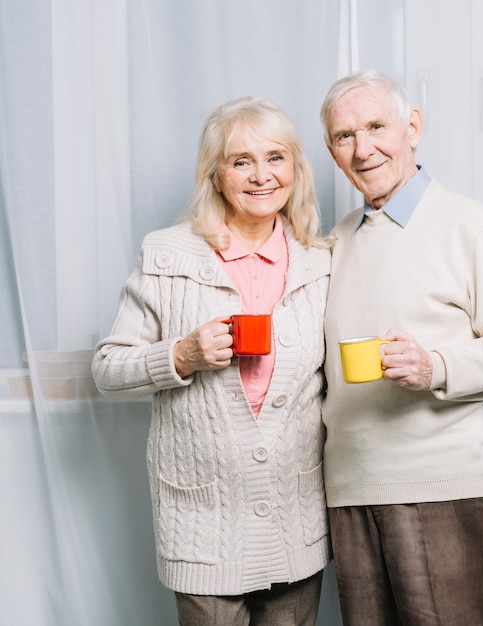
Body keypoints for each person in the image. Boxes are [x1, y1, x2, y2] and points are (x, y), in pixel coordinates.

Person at [319, 69, 483, 625]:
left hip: (444, 489)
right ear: (331, 150)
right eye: (344, 136)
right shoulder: (340, 237)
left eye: (377, 126)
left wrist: (435, 366)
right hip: (351, 492)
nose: (363, 148)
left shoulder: (466, 223)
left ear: (413, 127)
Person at [92, 96, 332, 626]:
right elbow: (108, 367)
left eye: (276, 157)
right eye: (241, 160)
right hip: (203, 522)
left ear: (295, 168)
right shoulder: (167, 254)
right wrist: (181, 355)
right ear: (215, 176)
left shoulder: (322, 260)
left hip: (296, 516)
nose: (261, 175)